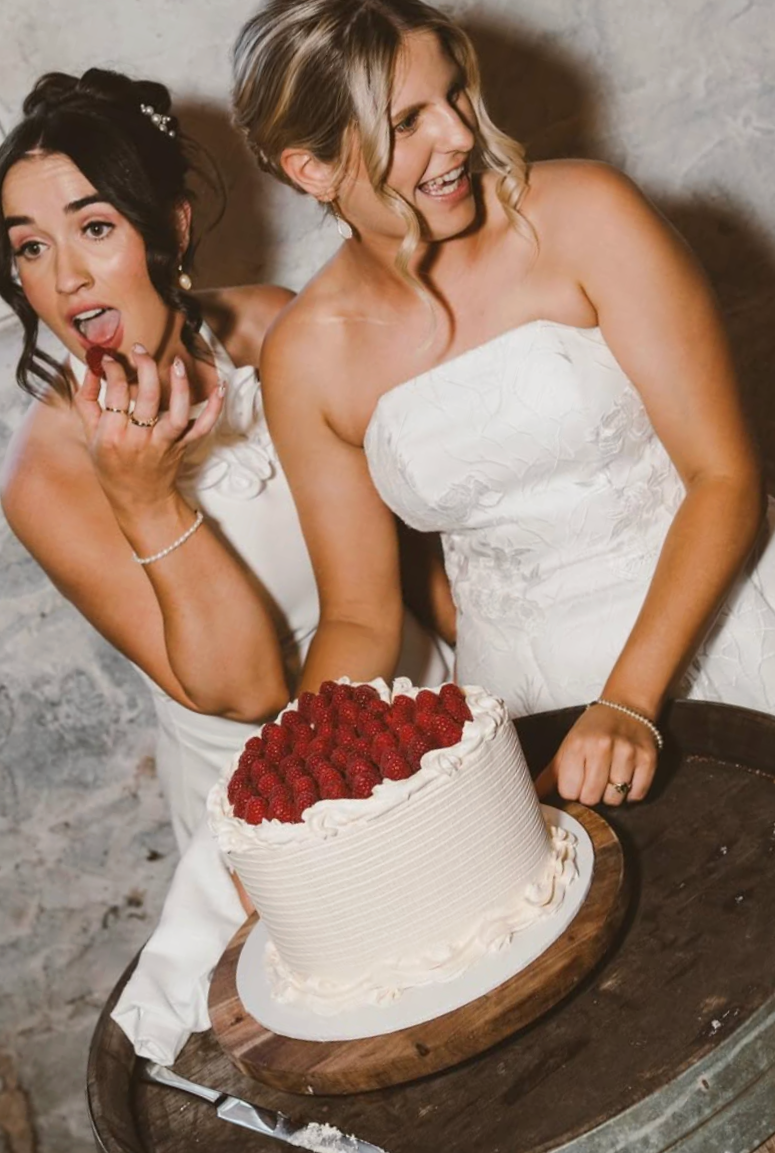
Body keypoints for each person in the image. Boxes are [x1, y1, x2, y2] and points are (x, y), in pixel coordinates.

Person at [231, 0, 775, 810]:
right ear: (313, 169)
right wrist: (290, 789)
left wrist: (626, 701)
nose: (460, 136)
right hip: (525, 699)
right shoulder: (303, 358)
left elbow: (723, 475)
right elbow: (360, 616)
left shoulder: (587, 215)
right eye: (407, 122)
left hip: (725, 625)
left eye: (454, 94)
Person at [0, 66, 451, 1059]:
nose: (64, 275)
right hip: (262, 795)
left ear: (173, 221)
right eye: (29, 247)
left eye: (95, 227)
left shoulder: (281, 325)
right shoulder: (47, 476)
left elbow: (418, 557)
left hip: (422, 703)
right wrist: (145, 497)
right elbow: (251, 689)